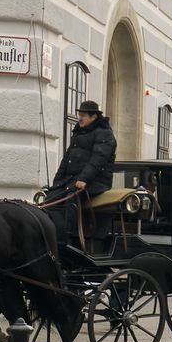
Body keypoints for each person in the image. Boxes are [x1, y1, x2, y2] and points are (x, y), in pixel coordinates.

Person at [45, 100, 117, 251]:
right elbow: (67, 159)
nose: (80, 118)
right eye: (79, 115)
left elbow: (98, 159)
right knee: (50, 197)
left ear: (94, 117)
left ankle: (70, 238)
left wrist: (84, 179)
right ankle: (51, 235)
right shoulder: (79, 133)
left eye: (83, 115)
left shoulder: (105, 134)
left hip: (96, 181)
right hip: (72, 180)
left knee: (72, 198)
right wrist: (57, 183)